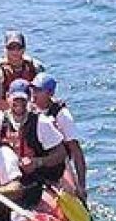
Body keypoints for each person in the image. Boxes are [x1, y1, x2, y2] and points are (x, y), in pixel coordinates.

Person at [0, 80, 66, 208]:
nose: (19, 103)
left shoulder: (41, 123)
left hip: (34, 177)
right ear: (8, 98)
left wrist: (37, 162)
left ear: (29, 99)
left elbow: (61, 153)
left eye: (23, 100)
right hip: (10, 175)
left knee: (27, 193)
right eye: (15, 99)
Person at [30, 73, 87, 205]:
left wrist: (81, 186)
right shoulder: (29, 108)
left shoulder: (62, 115)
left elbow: (76, 152)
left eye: (38, 90)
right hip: (35, 158)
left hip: (57, 162)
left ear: (50, 93)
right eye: (33, 89)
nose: (34, 93)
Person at [0, 30, 45, 112]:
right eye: (11, 48)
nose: (15, 51)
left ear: (24, 49)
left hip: (32, 113)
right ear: (5, 49)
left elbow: (45, 95)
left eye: (18, 48)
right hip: (5, 115)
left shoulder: (35, 67)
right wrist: (20, 109)